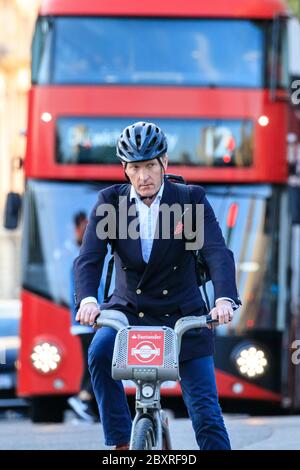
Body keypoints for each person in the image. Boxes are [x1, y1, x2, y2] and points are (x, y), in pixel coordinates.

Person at [73, 121, 241, 450]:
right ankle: (122, 443)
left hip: (183, 314)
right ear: (125, 169)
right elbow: (89, 258)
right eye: (135, 167)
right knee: (98, 352)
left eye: (150, 165)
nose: (144, 176)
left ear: (164, 162)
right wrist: (88, 300)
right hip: (129, 311)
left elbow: (216, 251)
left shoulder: (189, 200)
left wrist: (223, 299)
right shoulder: (111, 203)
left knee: (206, 414)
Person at [68, 211, 98, 423]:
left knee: (92, 360)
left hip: (84, 322)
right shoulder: (83, 259)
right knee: (93, 362)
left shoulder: (82, 256)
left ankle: (86, 402)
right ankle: (82, 398)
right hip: (86, 323)